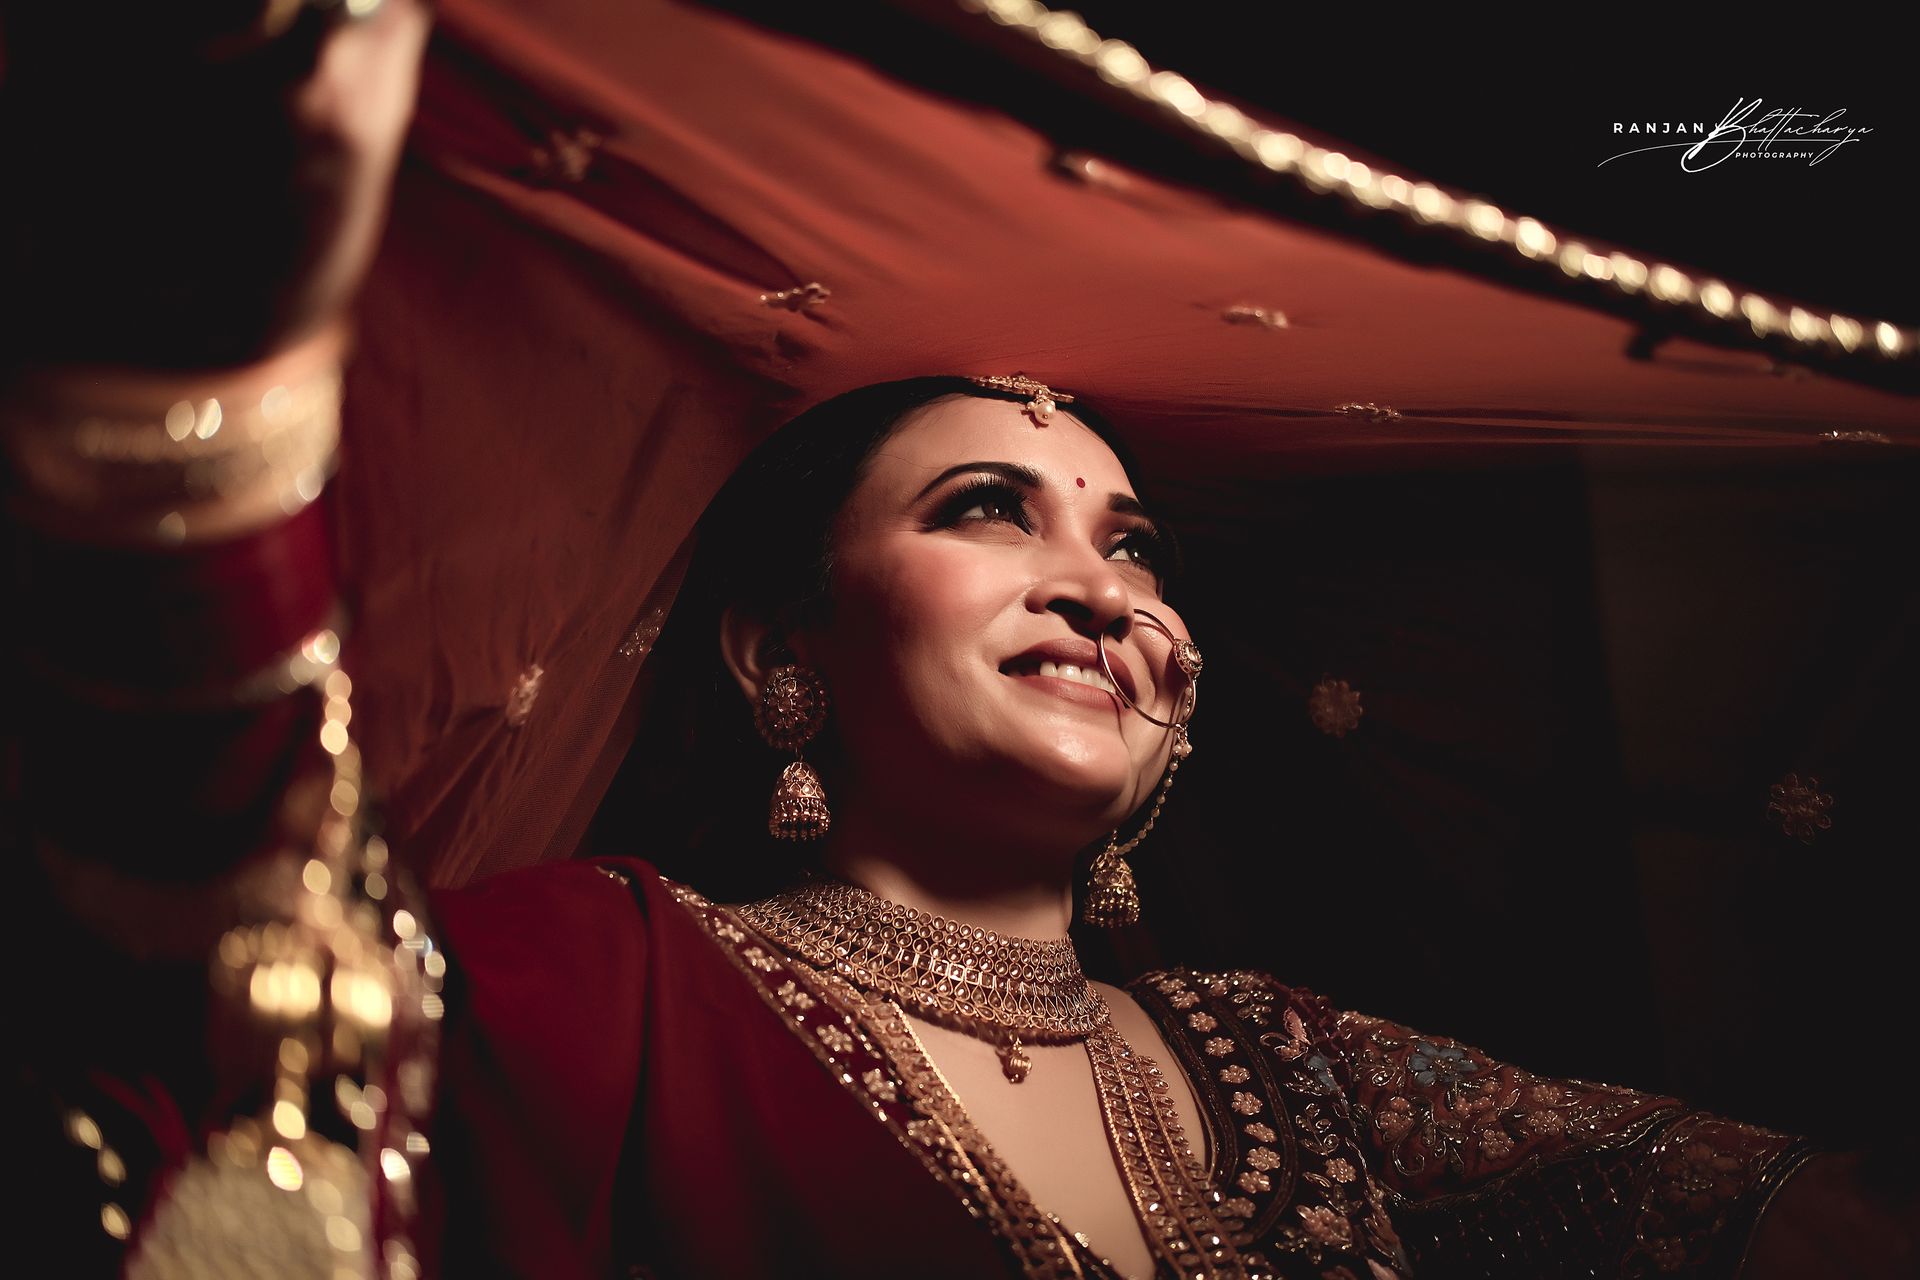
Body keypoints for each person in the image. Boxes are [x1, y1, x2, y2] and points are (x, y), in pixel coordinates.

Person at [3, 3, 1911, 1278]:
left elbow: (1798, 1216)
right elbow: (224, 1089)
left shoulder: (1283, 1067)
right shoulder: (610, 981)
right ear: (779, 661)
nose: (1106, 589)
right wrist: (192, 427)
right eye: (986, 508)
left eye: (1134, 541)